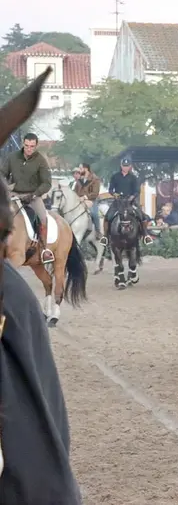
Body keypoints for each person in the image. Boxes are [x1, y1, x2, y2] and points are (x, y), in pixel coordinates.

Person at [0, 178, 82, 504]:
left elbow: (45, 184)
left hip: (30, 199)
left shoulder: (11, 296)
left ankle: (43, 247)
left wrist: (30, 193)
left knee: (39, 220)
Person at [0, 132, 53, 263]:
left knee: (43, 218)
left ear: (36, 146)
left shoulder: (41, 160)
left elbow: (47, 183)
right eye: (27, 145)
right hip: (15, 195)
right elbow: (2, 174)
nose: (29, 149)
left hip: (33, 197)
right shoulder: (12, 157)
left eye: (32, 146)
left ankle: (45, 250)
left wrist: (34, 194)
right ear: (23, 143)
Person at [99, 157, 153, 246]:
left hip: (130, 201)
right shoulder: (115, 176)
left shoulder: (133, 177)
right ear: (121, 166)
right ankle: (105, 237)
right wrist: (114, 194)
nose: (125, 167)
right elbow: (110, 189)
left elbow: (137, 191)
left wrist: (132, 197)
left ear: (130, 166)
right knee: (108, 216)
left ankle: (146, 235)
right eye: (124, 166)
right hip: (118, 201)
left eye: (127, 166)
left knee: (142, 216)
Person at [73, 163, 102, 236]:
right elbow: (75, 191)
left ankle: (98, 231)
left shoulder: (95, 179)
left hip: (91, 200)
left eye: (80, 168)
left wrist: (85, 197)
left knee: (94, 214)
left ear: (86, 169)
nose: (79, 170)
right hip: (79, 200)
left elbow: (95, 193)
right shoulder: (79, 180)